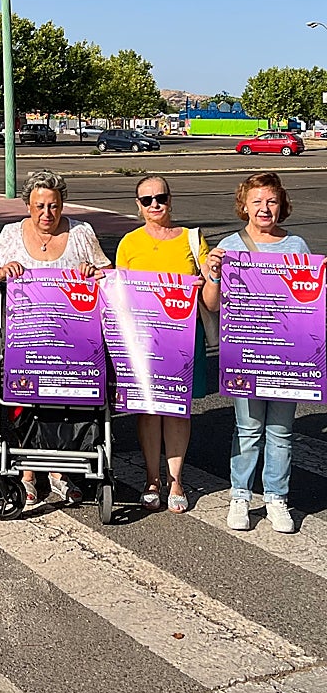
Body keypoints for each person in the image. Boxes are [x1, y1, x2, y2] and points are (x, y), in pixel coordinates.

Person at [0, 168, 110, 506]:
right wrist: (1, 272)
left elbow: (106, 273)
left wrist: (94, 273)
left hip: (74, 341)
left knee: (67, 400)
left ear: (63, 204)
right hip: (26, 339)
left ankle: (60, 472)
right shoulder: (10, 234)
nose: (46, 213)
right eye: (39, 206)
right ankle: (27, 475)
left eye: (53, 206)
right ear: (28, 206)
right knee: (25, 400)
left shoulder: (82, 233)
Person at [203, 172, 311, 535]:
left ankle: (277, 497)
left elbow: (310, 302)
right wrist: (214, 274)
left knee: (281, 431)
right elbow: (212, 304)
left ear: (281, 206)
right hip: (247, 352)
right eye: (257, 202)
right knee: (248, 430)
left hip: (287, 356)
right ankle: (240, 495)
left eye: (272, 202)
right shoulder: (230, 245)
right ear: (244, 206)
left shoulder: (296, 245)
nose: (265, 209)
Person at [114, 175, 208, 514]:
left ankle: (177, 480)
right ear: (137, 206)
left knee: (177, 410)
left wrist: (210, 275)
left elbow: (211, 298)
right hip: (142, 339)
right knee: (150, 410)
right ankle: (152, 478)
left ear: (170, 199)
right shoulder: (129, 243)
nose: (155, 204)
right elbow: (117, 291)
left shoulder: (193, 240)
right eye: (147, 199)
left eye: (161, 197)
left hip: (183, 337)